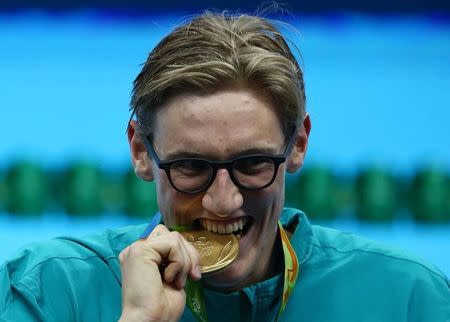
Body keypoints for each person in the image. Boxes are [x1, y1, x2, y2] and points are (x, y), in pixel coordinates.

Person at [1, 11, 449, 322]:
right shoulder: (49, 293)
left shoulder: (410, 298)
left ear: (298, 145)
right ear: (141, 151)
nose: (224, 200)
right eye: (191, 166)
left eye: (253, 163)